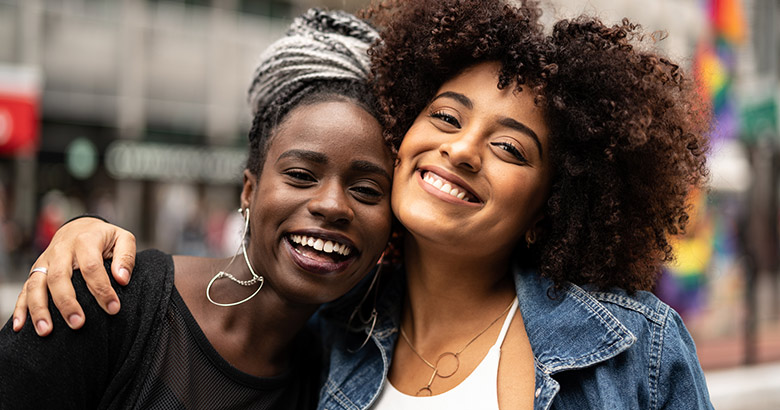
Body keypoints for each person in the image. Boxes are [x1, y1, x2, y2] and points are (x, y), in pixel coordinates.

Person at [11, 0, 714, 408]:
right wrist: (84, 232)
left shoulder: (632, 351)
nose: (462, 150)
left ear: (548, 205)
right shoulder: (329, 337)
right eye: (445, 117)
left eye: (510, 149)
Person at [0, 9, 394, 409]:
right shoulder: (102, 297)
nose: (331, 205)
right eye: (301, 175)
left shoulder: (336, 379)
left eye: (366, 190)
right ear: (248, 190)